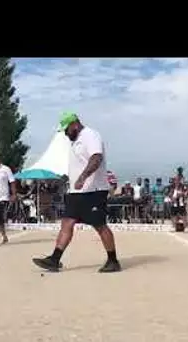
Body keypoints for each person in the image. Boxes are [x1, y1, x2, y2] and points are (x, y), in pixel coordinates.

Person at [32, 112, 121, 273]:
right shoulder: (74, 141)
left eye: (67, 130)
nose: (66, 134)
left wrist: (83, 177)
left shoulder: (90, 136)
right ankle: (54, 259)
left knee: (99, 225)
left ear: (75, 124)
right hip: (76, 192)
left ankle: (113, 260)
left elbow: (96, 158)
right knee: (67, 222)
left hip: (93, 190)